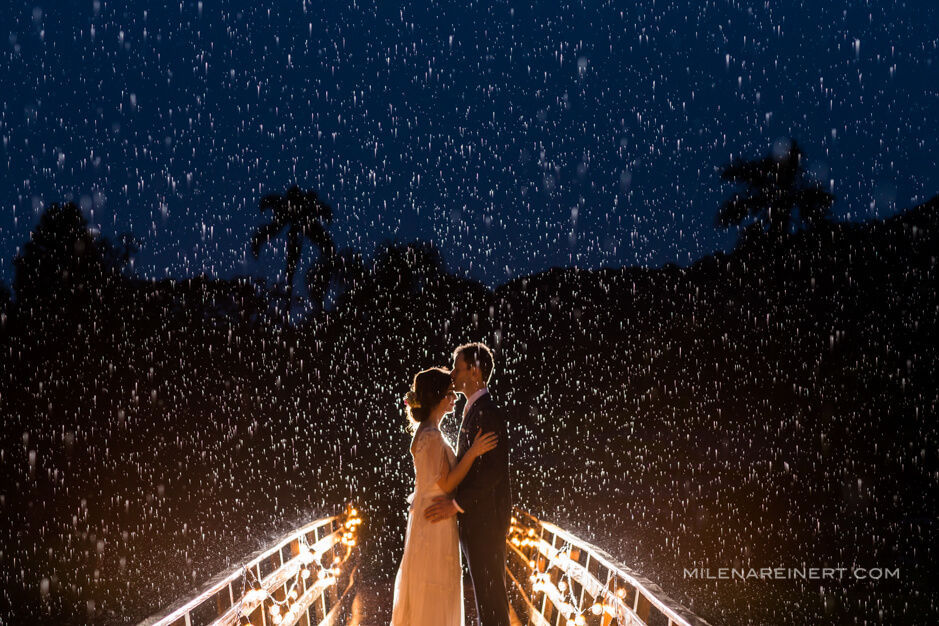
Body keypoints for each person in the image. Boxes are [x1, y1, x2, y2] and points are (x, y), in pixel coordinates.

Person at [391, 366, 499, 626]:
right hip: (435, 520)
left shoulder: (429, 433)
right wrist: (473, 452)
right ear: (437, 397)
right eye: (449, 393)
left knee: (434, 584)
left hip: (433, 516)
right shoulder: (431, 436)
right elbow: (447, 481)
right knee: (434, 585)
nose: (454, 398)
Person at [425, 343, 512, 626]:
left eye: (458, 367)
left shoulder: (488, 412)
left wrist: (456, 504)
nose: (452, 373)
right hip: (477, 520)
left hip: (486, 521)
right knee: (486, 598)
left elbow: (493, 472)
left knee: (492, 599)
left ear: (474, 371)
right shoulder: (475, 410)